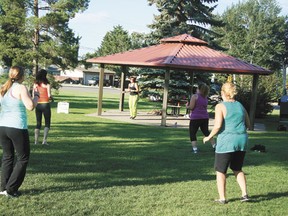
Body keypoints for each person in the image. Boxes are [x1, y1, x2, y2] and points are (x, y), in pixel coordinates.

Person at [203, 82, 251, 204]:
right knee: (237, 168)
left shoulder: (220, 106)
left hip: (226, 142)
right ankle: (245, 195)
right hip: (242, 141)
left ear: (222, 93)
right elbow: (248, 124)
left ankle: (223, 198)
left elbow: (218, 126)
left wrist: (209, 137)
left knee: (220, 171)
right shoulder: (240, 105)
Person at [0, 66, 39, 198]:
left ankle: (3, 187)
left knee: (7, 156)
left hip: (2, 126)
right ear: (22, 76)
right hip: (16, 127)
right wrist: (36, 96)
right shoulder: (21, 88)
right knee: (23, 158)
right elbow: (30, 106)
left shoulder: (3, 88)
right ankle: (11, 189)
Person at [186, 83, 216, 153]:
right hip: (205, 117)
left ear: (199, 89)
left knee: (193, 133)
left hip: (195, 117)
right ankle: (214, 145)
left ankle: (195, 149)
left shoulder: (195, 96)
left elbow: (191, 107)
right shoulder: (205, 98)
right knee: (206, 132)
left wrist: (187, 106)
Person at [33, 69, 52, 145]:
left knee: (38, 123)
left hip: (38, 104)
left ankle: (36, 141)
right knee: (47, 123)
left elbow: (33, 95)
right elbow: (49, 95)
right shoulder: (47, 84)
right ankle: (44, 140)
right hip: (45, 104)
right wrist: (51, 98)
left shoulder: (35, 84)